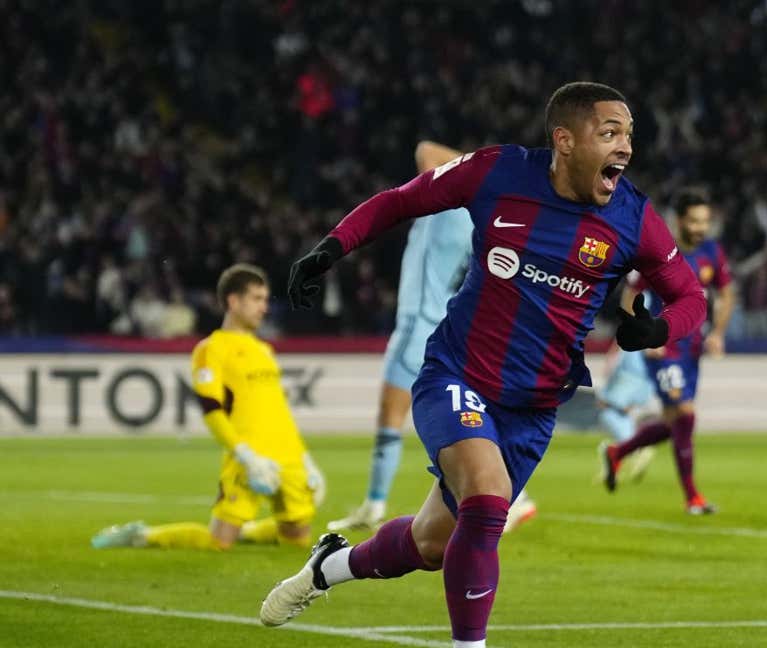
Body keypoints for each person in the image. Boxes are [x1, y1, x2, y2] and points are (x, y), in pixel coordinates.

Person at [260, 82, 706, 647]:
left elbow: (691, 297)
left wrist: (660, 327)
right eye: (610, 133)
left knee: (429, 546)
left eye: (629, 135)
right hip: (457, 375)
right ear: (564, 140)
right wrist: (332, 246)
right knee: (489, 495)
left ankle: (328, 567)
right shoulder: (499, 173)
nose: (625, 148)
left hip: (534, 408)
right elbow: (402, 200)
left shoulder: (632, 217)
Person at [326, 141, 538, 535]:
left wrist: (476, 165)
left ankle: (377, 504)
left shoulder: (453, 208)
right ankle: (509, 495)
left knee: (401, 415)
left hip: (418, 322)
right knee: (454, 412)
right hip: (432, 319)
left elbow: (425, 150)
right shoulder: (472, 215)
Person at [91, 263, 326, 551]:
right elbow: (211, 409)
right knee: (218, 542)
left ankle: (246, 532)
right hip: (248, 456)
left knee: (297, 540)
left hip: (288, 456)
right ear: (233, 301)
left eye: (265, 299)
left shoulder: (265, 350)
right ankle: (142, 536)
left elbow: (279, 411)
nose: (264, 307)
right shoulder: (211, 349)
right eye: (256, 299)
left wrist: (305, 458)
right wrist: (245, 456)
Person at [600, 188, 734, 514]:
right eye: (695, 221)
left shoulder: (712, 253)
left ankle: (618, 453)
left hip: (693, 350)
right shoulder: (660, 251)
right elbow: (629, 296)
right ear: (679, 221)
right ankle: (693, 498)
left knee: (676, 421)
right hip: (665, 348)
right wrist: (644, 336)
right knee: (685, 415)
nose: (701, 228)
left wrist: (717, 332)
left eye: (705, 221)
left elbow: (726, 293)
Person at [593, 343, 658, 485]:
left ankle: (637, 450)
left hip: (625, 388)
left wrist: (607, 396)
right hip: (636, 388)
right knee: (623, 431)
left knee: (611, 420)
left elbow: (617, 368)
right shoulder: (641, 350)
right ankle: (618, 462)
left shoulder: (631, 349)